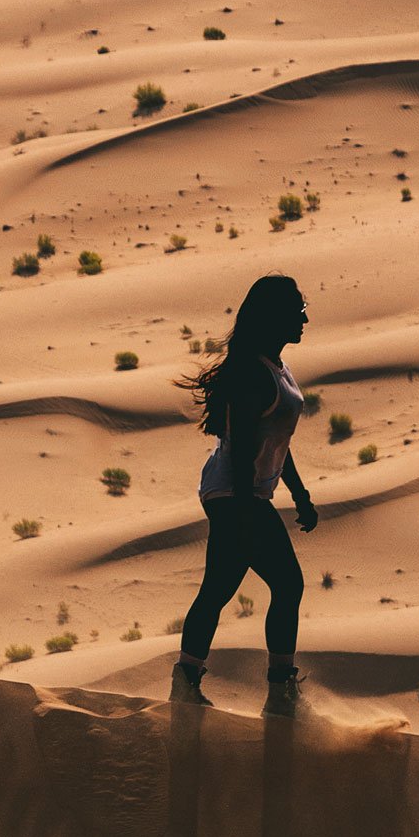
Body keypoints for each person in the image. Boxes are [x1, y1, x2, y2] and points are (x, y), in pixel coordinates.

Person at [174, 273, 319, 690]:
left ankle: (186, 677)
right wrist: (242, 509)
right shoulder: (254, 374)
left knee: (218, 589)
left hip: (242, 494)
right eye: (299, 312)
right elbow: (241, 449)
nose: (305, 321)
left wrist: (300, 494)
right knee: (288, 583)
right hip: (235, 494)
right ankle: (280, 685)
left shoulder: (276, 368)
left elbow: (275, 439)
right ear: (276, 316)